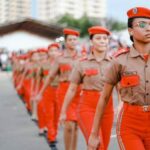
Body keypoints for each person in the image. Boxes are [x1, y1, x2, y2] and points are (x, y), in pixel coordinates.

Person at [88, 7, 150, 150]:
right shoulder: (120, 61)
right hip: (130, 125)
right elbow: (104, 98)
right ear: (130, 31)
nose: (148, 28)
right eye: (142, 25)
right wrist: (94, 134)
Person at [60, 26, 114, 150]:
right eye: (98, 38)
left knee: (104, 146)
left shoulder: (114, 63)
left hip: (107, 108)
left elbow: (121, 87)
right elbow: (72, 89)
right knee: (96, 144)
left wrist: (121, 104)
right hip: (88, 107)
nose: (102, 41)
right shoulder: (82, 63)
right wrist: (63, 111)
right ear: (91, 42)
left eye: (105, 38)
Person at [35, 28, 80, 150]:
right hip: (64, 91)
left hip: (79, 93)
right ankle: (55, 139)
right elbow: (49, 77)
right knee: (69, 124)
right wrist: (40, 93)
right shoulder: (59, 59)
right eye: (70, 39)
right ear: (65, 42)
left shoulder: (82, 57)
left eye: (75, 39)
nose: (72, 41)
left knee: (75, 125)